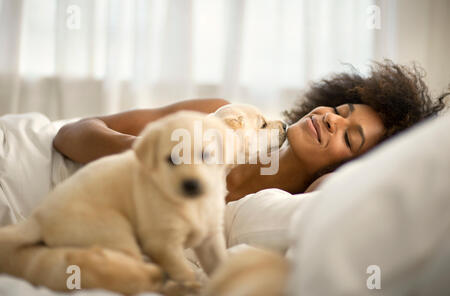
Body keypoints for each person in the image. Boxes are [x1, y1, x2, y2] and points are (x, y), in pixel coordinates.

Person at [53, 60, 448, 203]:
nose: (332, 119)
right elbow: (72, 132)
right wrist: (145, 154)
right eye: (341, 110)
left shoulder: (295, 206)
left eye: (350, 138)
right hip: (32, 155)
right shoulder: (222, 117)